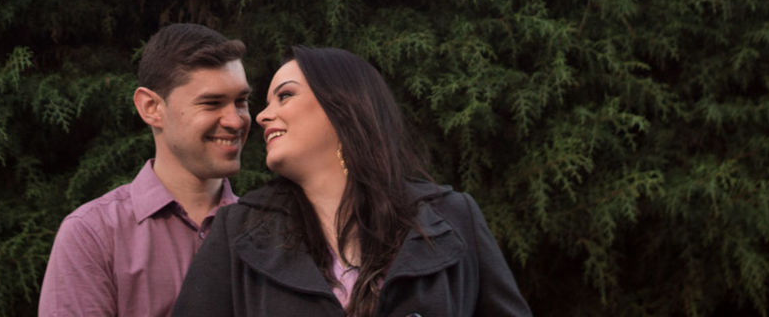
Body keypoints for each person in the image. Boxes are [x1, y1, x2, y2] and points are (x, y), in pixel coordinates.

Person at [171, 46, 533, 317]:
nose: (263, 116)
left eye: (285, 95)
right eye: (266, 103)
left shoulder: (453, 218)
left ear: (343, 106)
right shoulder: (237, 231)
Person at [38, 23, 253, 317]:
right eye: (212, 103)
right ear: (151, 107)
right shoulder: (94, 235)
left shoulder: (267, 232)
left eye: (241, 101)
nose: (236, 120)